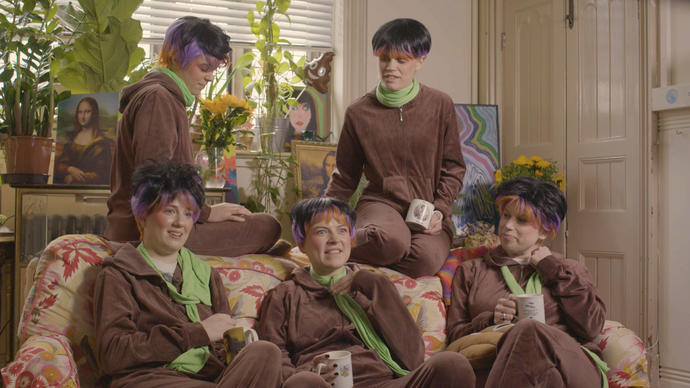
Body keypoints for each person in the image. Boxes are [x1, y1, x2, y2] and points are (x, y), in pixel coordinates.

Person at [105, 16, 283, 257]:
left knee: (255, 222)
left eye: (213, 69)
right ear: (177, 57)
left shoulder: (165, 97)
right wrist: (207, 213)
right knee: (268, 226)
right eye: (204, 67)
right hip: (150, 232)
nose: (210, 77)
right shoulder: (159, 99)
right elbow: (154, 180)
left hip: (164, 221)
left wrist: (204, 212)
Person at [93, 162, 282, 387]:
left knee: (265, 353)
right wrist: (198, 332)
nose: (180, 223)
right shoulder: (119, 274)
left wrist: (235, 347)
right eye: (170, 211)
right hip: (150, 379)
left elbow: (223, 342)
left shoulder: (206, 274)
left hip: (211, 378)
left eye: (188, 213)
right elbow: (113, 353)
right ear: (142, 214)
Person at [257, 197, 476, 388]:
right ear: (302, 243)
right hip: (323, 384)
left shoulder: (372, 286)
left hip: (383, 381)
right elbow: (274, 358)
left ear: (351, 238)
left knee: (452, 365)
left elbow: (413, 358)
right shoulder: (285, 295)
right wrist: (303, 375)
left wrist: (375, 286)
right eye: (322, 231)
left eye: (342, 230)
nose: (334, 239)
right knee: (301, 384)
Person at [324, 18, 466, 277]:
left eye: (401, 60)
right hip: (380, 204)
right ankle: (332, 245)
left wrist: (441, 210)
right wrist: (323, 217)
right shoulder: (359, 112)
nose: (390, 67)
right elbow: (345, 176)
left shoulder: (440, 105)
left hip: (426, 208)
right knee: (391, 243)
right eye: (384, 59)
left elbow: (453, 167)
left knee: (424, 261)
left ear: (421, 60)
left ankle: (366, 268)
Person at [445, 177, 609, 388]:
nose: (507, 226)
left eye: (521, 220)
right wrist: (491, 320)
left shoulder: (568, 270)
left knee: (529, 329)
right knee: (547, 378)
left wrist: (550, 269)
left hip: (571, 364)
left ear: (545, 231)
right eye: (505, 216)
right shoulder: (471, 271)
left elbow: (592, 327)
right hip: (499, 366)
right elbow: (454, 338)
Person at [54, 97, 114, 184]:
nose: (83, 116)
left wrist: (78, 177)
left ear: (94, 113)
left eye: (87, 112)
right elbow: (59, 166)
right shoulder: (70, 139)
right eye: (80, 112)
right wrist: (69, 169)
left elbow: (104, 174)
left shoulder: (102, 143)